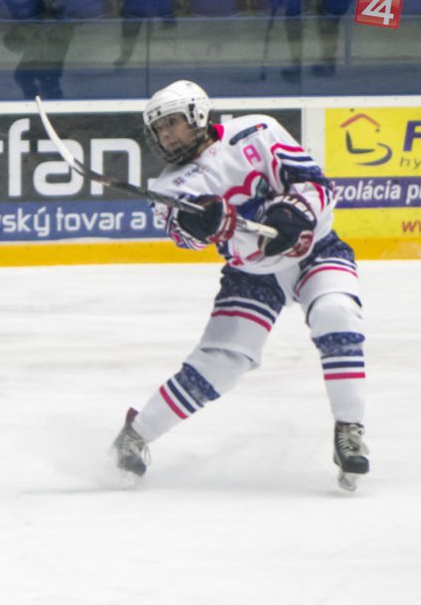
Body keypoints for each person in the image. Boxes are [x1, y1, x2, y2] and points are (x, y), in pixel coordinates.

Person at [110, 81, 369, 491]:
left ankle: (349, 430)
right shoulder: (168, 188)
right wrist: (202, 223)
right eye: (159, 130)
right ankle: (136, 433)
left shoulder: (258, 131)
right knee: (222, 361)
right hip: (252, 273)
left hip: (315, 250)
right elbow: (187, 239)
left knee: (336, 312)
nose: (166, 135)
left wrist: (292, 212)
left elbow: (317, 184)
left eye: (173, 123)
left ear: (197, 114)